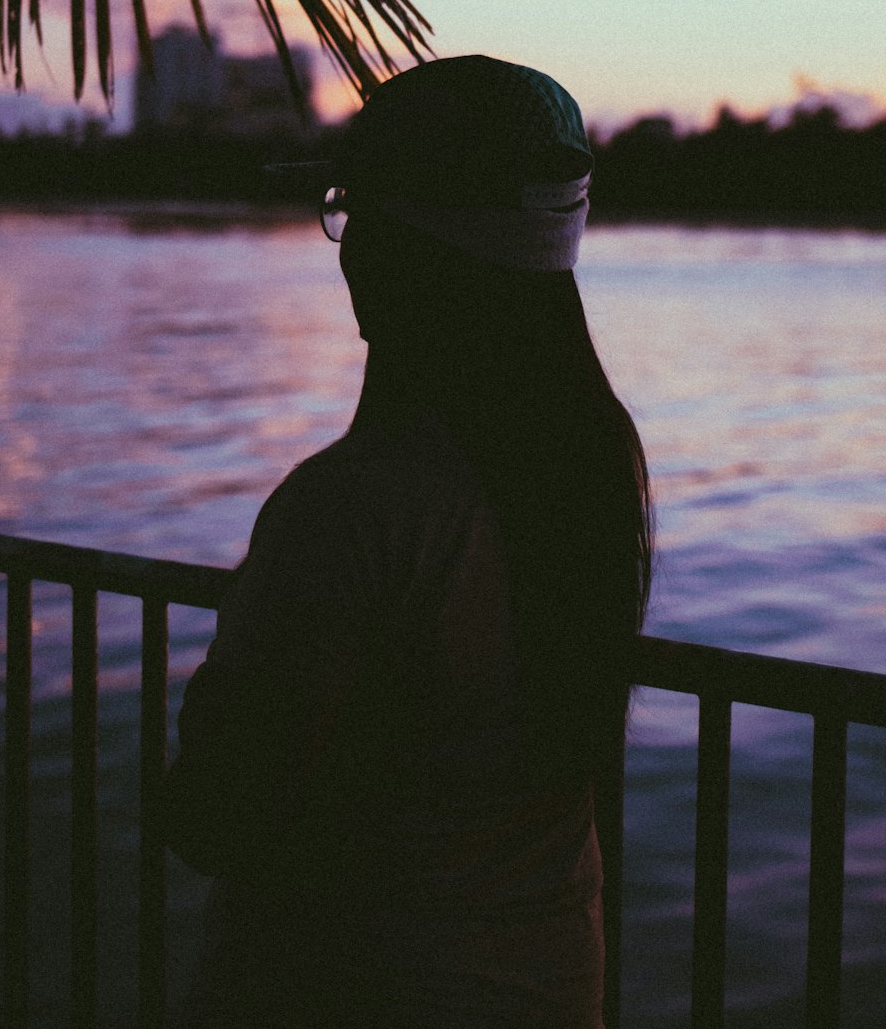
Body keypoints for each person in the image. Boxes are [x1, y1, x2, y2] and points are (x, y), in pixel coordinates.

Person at [161, 55, 654, 1028]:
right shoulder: (600, 464)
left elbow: (215, 814)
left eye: (350, 209)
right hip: (547, 986)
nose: (344, 246)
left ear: (402, 240)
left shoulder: (357, 506)